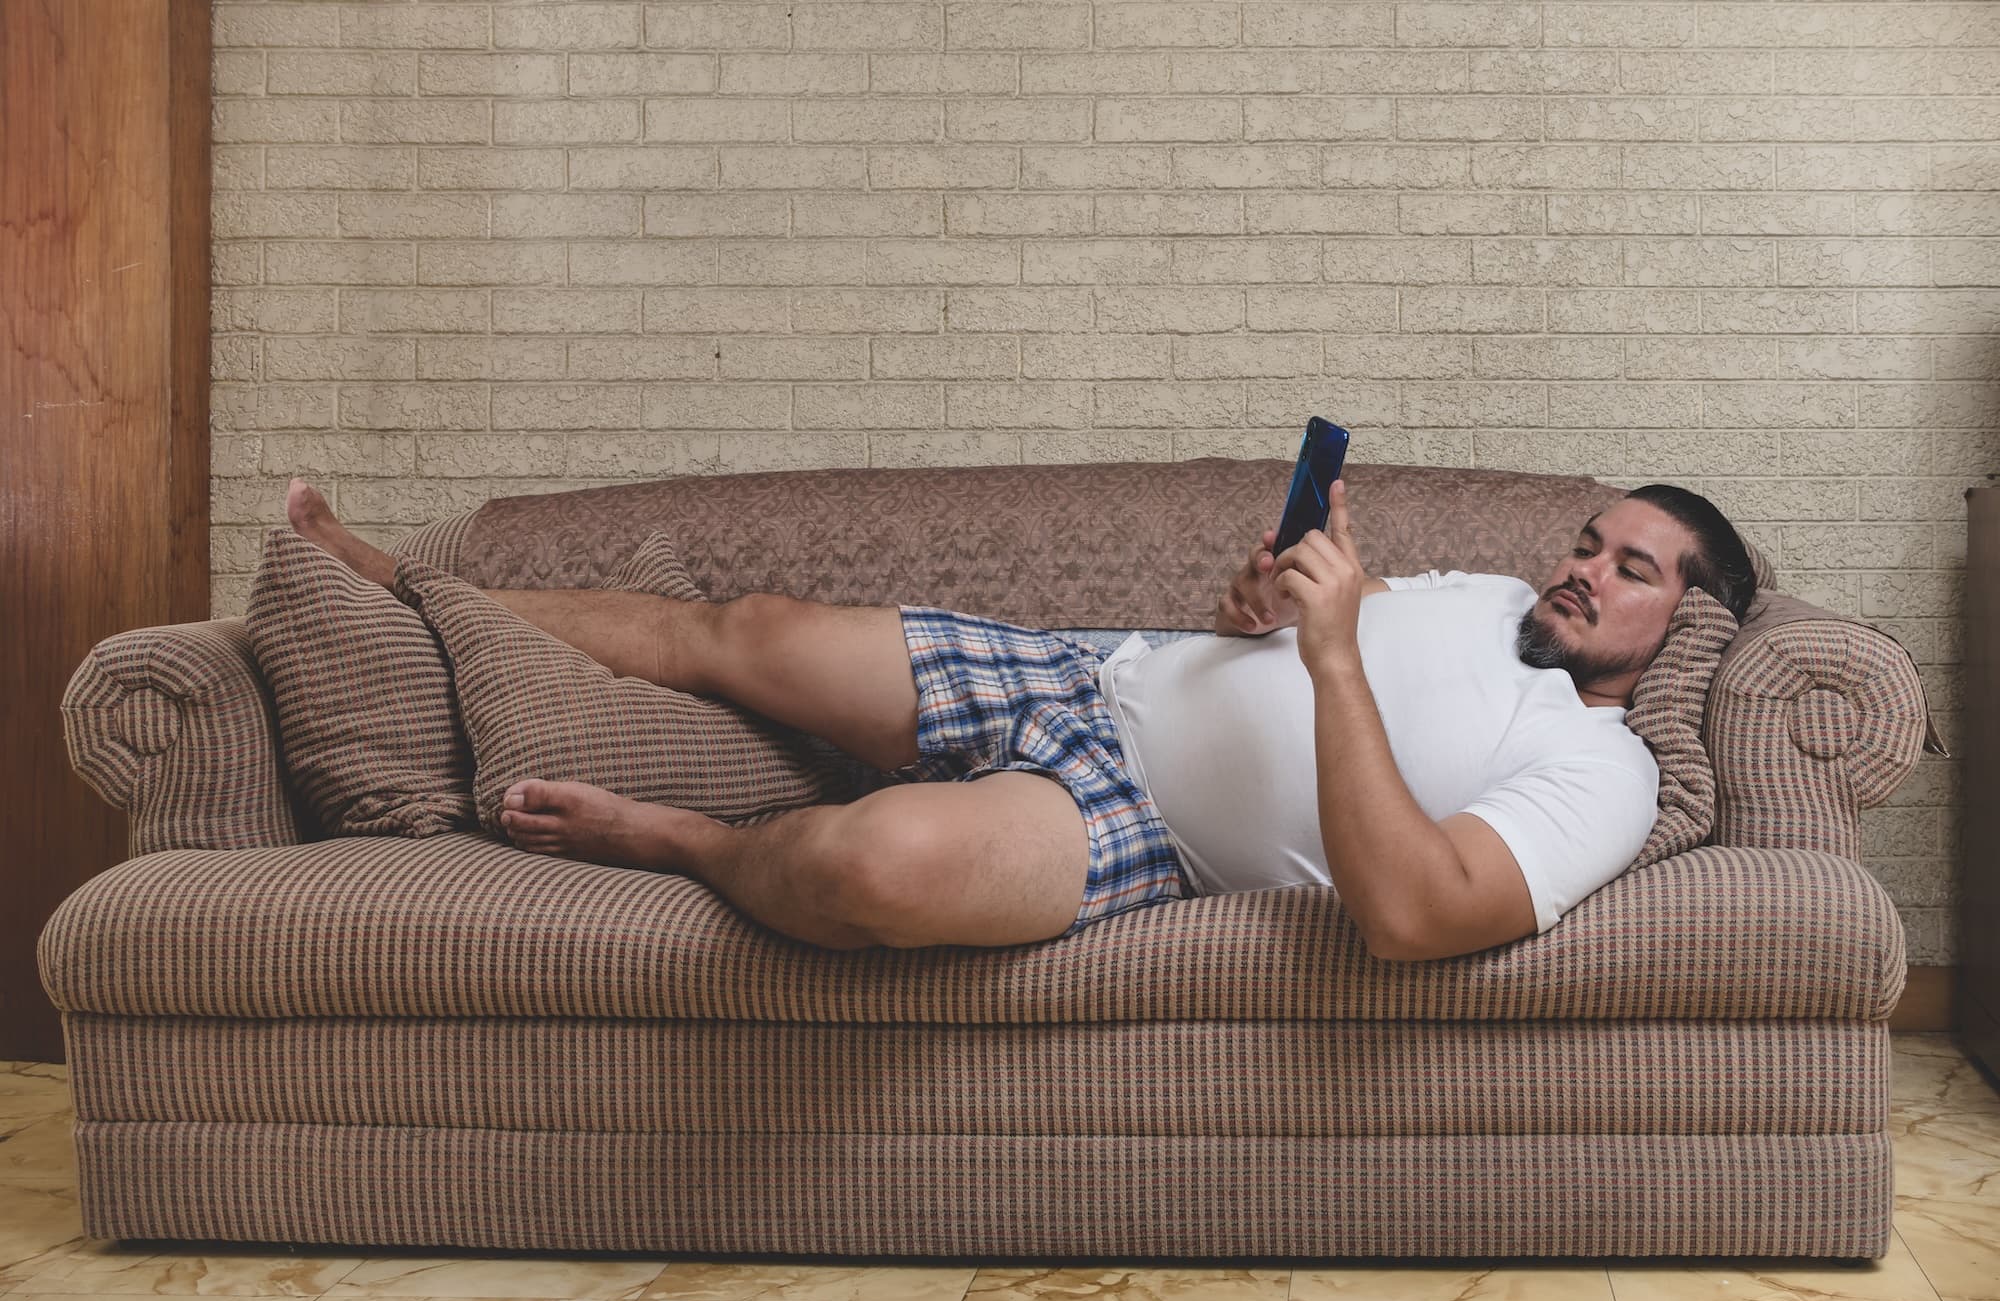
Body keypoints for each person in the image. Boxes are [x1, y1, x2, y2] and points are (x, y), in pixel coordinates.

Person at [285, 474, 1756, 961]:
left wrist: (1328, 658)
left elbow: (1419, 914)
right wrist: (1262, 599)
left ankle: (681, 840)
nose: (1579, 568)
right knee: (747, 634)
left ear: (1684, 623)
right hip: (1093, 671)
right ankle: (404, 576)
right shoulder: (1484, 588)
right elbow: (1275, 626)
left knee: (875, 869)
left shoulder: (1602, 772)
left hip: (1135, 831)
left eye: (1629, 570)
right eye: (1588, 539)